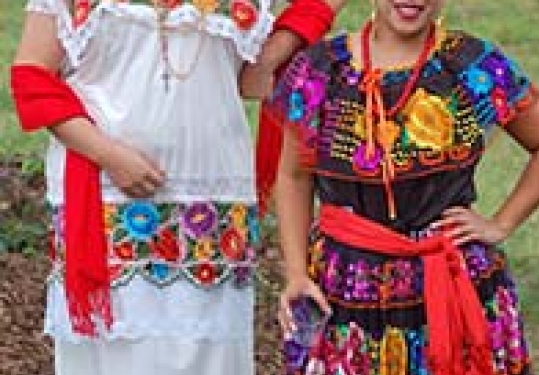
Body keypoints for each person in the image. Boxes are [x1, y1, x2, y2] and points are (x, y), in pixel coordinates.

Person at [9, 0, 346, 374]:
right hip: (106, 195)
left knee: (206, 356)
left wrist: (314, 14)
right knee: (115, 354)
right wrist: (109, 155)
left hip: (211, 198)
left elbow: (253, 76)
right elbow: (33, 77)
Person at [261, 0, 539, 374]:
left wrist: (500, 223)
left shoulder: (470, 65)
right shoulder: (321, 69)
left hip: (452, 281)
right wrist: (295, 273)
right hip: (345, 286)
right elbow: (294, 175)